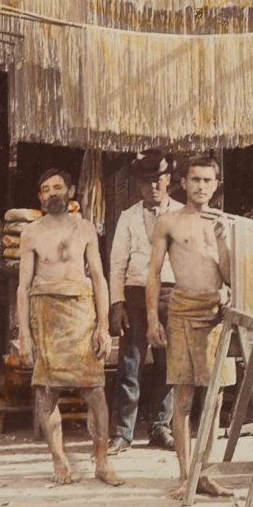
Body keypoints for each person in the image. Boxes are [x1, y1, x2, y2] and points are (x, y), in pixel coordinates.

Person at [16, 168, 121, 487]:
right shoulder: (31, 233)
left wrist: (102, 326)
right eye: (45, 189)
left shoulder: (86, 228)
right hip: (45, 314)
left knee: (96, 393)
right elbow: (23, 287)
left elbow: (100, 278)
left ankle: (101, 462)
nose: (52, 193)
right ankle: (59, 461)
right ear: (40, 198)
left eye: (58, 187)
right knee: (47, 393)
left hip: (81, 312)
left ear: (71, 190)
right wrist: (24, 335)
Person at [146, 155, 236, 500]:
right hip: (181, 310)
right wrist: (152, 318)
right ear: (183, 182)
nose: (200, 187)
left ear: (216, 185)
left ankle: (205, 473)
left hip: (214, 312)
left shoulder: (222, 222)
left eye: (207, 181)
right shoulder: (168, 222)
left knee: (214, 398)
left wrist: (224, 242)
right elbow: (153, 273)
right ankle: (186, 474)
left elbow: (229, 277)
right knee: (183, 397)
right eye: (195, 180)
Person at [108, 151, 181, 455]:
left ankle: (160, 427)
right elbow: (116, 264)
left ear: (168, 181)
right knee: (130, 364)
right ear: (139, 184)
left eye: (158, 180)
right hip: (136, 295)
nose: (153, 186)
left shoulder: (181, 214)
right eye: (146, 181)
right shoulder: (128, 216)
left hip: (170, 295)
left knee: (168, 365)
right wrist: (117, 303)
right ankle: (122, 433)